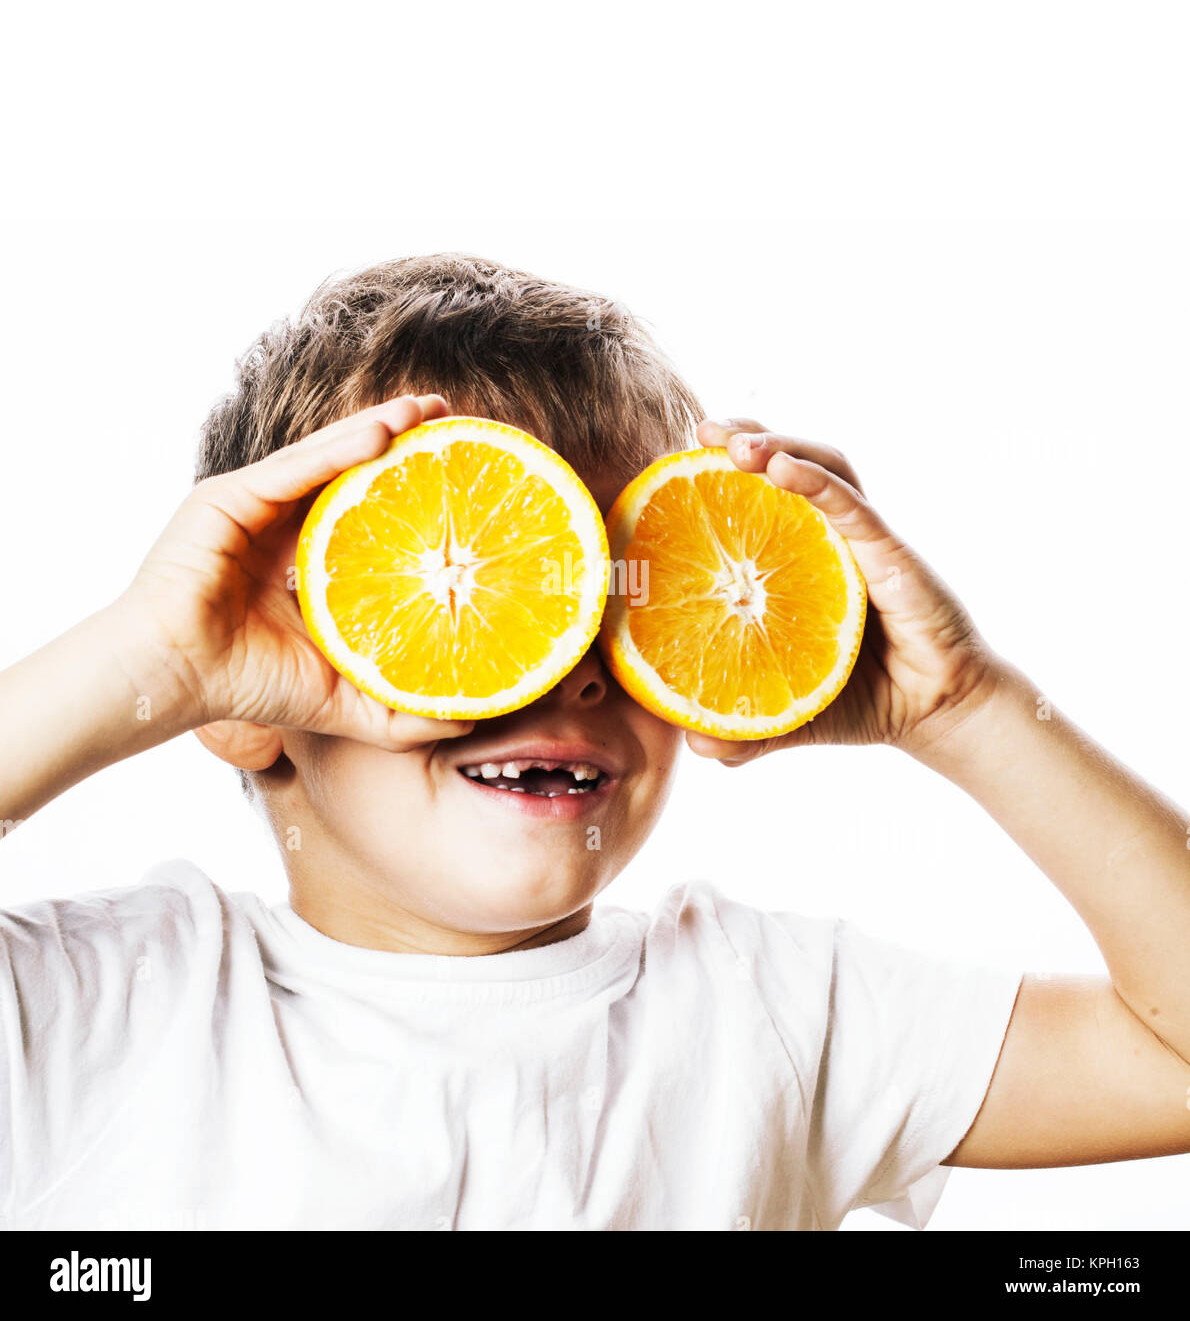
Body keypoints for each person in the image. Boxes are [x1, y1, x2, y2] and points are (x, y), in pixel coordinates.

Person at [2, 254, 1187, 1230]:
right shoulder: (98, 1009)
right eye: (466, 602)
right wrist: (147, 664)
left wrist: (966, 708)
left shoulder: (771, 1014)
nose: (569, 660)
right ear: (243, 695)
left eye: (617, 597)